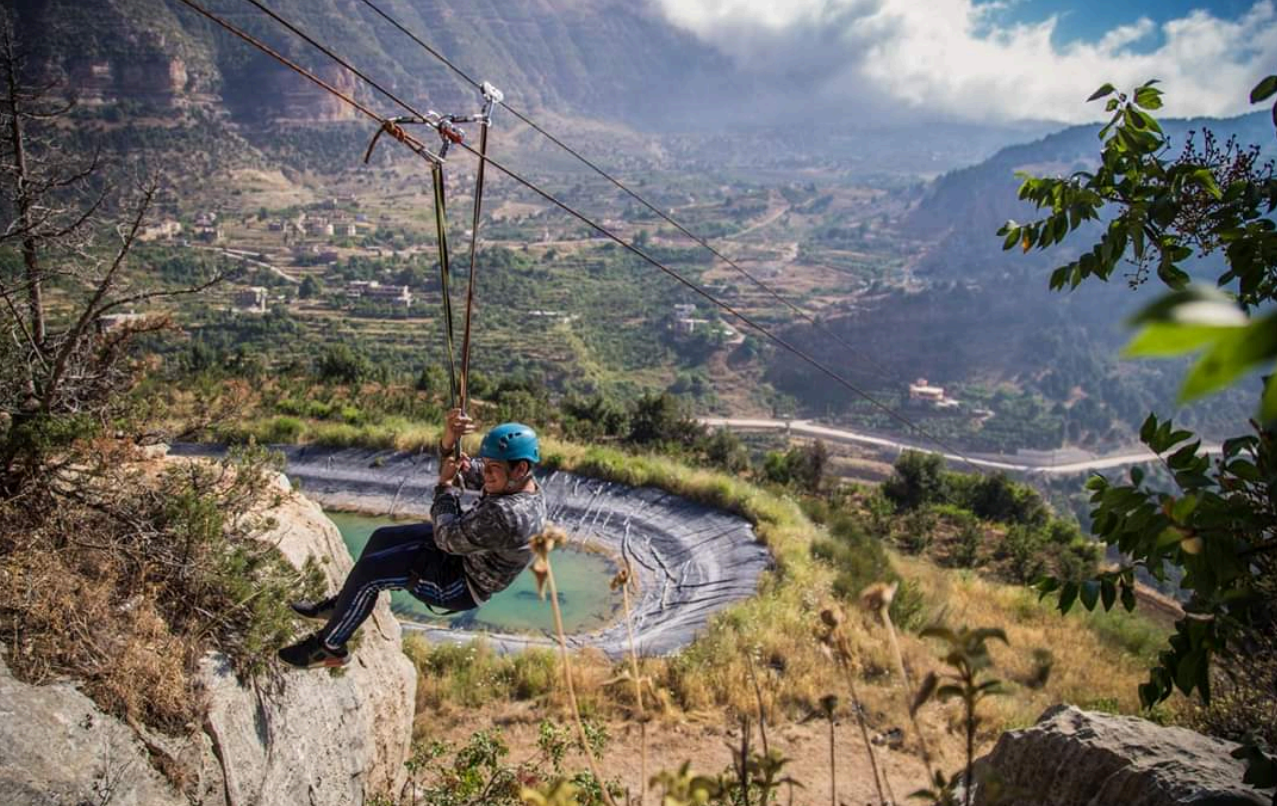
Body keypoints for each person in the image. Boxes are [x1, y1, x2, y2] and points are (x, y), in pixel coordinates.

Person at [278, 409, 546, 669]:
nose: (485, 474)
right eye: (485, 464)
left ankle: (330, 647)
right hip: (463, 554)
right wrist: (449, 441)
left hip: (460, 584)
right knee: (382, 537)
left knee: (371, 572)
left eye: (493, 468)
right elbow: (458, 471)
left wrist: (445, 488)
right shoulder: (516, 482)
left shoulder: (509, 515)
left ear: (520, 468)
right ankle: (344, 605)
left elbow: (445, 537)